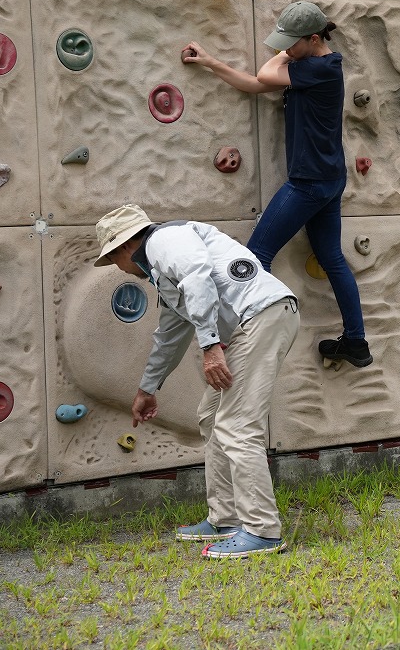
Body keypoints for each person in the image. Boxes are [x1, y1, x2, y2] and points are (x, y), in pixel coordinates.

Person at [95, 204, 300, 557]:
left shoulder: (164, 240)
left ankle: (263, 530)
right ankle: (226, 519)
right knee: (211, 416)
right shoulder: (162, 268)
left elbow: (198, 277)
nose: (120, 270)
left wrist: (210, 347)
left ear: (123, 246)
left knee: (237, 425)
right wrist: (147, 389)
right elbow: (170, 335)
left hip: (260, 316)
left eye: (113, 261)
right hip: (255, 321)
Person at [182, 0, 371, 368]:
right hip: (329, 179)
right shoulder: (313, 66)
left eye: (290, 42)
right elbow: (255, 84)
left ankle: (253, 342)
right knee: (331, 258)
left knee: (253, 260)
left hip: (309, 183)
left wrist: (284, 55)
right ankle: (356, 343)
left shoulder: (320, 67)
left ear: (314, 39)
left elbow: (267, 72)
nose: (283, 48)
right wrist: (209, 62)